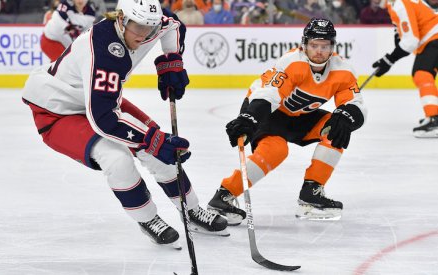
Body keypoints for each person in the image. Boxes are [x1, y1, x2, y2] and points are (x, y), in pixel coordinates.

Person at [22, 0, 228, 249]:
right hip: (57, 111)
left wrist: (171, 60)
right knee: (118, 158)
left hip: (97, 99)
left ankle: (192, 210)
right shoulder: (103, 49)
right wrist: (153, 141)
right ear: (120, 18)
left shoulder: (148, 25)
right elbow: (104, 119)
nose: (143, 36)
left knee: (161, 152)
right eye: (138, 28)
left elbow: (172, 24)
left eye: (149, 29)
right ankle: (148, 219)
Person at [207, 18, 367, 223]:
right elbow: (269, 95)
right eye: (314, 45)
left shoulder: (343, 70)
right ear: (304, 45)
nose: (319, 51)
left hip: (301, 117)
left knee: (336, 128)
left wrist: (347, 116)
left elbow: (356, 103)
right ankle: (223, 196)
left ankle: (311, 193)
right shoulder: (292, 62)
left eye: (324, 46)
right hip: (267, 112)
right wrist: (250, 117)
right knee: (276, 150)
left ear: (332, 48)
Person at [372, 0, 438, 137]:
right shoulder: (394, 4)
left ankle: (434, 119)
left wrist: (388, 60)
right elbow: (402, 36)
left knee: (422, 74)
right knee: (422, 74)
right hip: (432, 37)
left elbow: (411, 41)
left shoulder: (399, 3)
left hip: (434, 37)